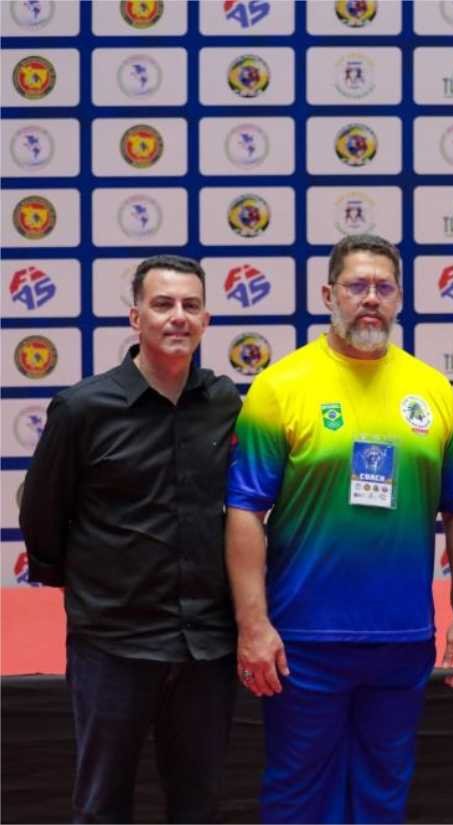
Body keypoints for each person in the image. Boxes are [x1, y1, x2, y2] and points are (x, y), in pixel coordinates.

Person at [224, 234, 453, 823]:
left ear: (399, 299)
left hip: (402, 639)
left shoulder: (432, 391)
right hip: (303, 640)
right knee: (297, 793)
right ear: (328, 294)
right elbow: (244, 509)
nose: (370, 299)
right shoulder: (280, 387)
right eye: (356, 286)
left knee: (382, 793)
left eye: (383, 287)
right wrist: (253, 624)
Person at [19, 255, 241, 823]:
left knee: (198, 807)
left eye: (191, 306)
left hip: (206, 645)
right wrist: (98, 589)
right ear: (135, 317)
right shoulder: (83, 407)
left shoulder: (226, 404)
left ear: (207, 320)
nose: (178, 317)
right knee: (100, 806)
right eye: (162, 304)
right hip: (113, 643)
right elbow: (43, 517)